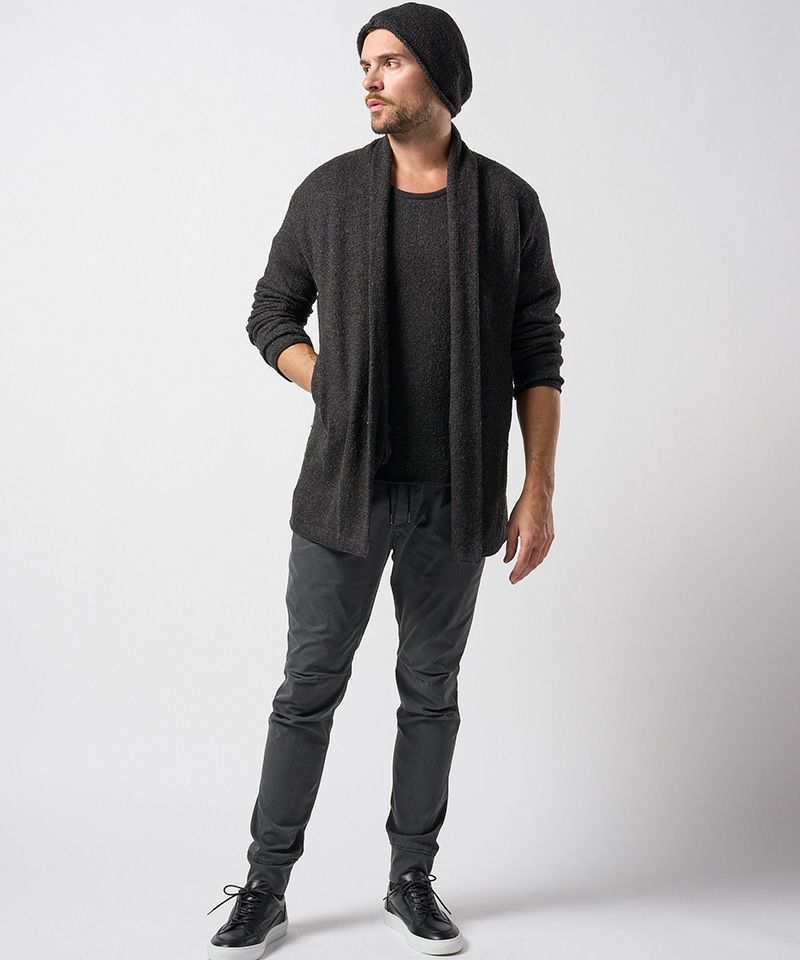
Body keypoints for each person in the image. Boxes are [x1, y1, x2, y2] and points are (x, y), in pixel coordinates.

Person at [206, 3, 565, 956]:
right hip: (343, 491)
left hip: (458, 491)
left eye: (391, 61)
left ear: (439, 77)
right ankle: (265, 885)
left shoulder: (507, 204)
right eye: (365, 62)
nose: (369, 78)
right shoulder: (329, 192)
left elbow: (538, 349)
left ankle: (412, 879)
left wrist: (537, 489)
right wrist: (324, 378)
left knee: (430, 689)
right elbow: (271, 312)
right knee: (306, 689)